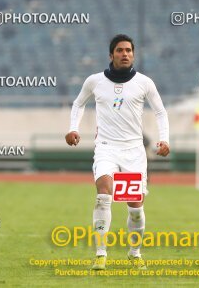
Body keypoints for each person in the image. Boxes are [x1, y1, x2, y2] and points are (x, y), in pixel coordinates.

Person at [65, 34, 170, 270]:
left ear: (133, 54)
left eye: (129, 50)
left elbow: (161, 112)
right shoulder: (95, 81)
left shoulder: (144, 83)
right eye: (120, 50)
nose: (125, 54)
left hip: (133, 151)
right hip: (106, 148)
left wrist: (165, 140)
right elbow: (78, 103)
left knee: (135, 207)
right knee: (103, 194)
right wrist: (73, 128)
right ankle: (100, 254)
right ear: (111, 54)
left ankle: (134, 253)